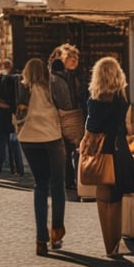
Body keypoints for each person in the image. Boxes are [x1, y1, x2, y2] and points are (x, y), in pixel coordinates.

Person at [84, 56, 134, 257]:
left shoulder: (95, 100)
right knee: (116, 198)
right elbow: (123, 125)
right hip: (119, 148)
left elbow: (92, 127)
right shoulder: (121, 98)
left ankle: (108, 245)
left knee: (103, 198)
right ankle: (115, 244)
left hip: (102, 150)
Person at [17, 58, 68, 255]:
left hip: (28, 138)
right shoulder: (54, 83)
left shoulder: (22, 86)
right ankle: (57, 231)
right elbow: (66, 105)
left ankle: (40, 239)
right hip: (52, 137)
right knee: (57, 183)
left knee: (40, 185)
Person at [52, 45, 88, 197]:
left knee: (75, 149)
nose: (74, 61)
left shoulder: (76, 76)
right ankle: (68, 180)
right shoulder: (55, 77)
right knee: (65, 150)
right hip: (63, 117)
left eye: (76, 58)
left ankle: (74, 179)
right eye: (69, 58)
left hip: (76, 116)